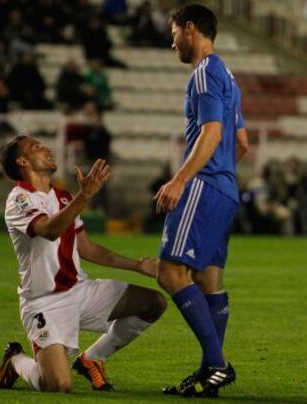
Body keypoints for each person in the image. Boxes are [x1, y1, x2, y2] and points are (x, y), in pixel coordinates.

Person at [0, 135, 166, 393]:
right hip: (44, 302)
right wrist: (84, 196)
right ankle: (16, 361)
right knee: (57, 385)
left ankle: (92, 359)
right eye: (36, 147)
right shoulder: (19, 200)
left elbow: (87, 248)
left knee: (153, 303)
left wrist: (137, 265)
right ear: (22, 161)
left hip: (80, 291)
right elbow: (50, 230)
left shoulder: (63, 197)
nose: (46, 148)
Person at [154, 4, 249, 398]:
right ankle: (210, 373)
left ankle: (218, 364)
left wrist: (182, 180)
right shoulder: (228, 75)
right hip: (225, 191)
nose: (172, 39)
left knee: (170, 273)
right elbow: (239, 143)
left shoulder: (205, 72)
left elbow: (210, 131)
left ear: (189, 29)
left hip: (205, 187)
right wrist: (221, 171)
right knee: (209, 280)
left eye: (174, 31)